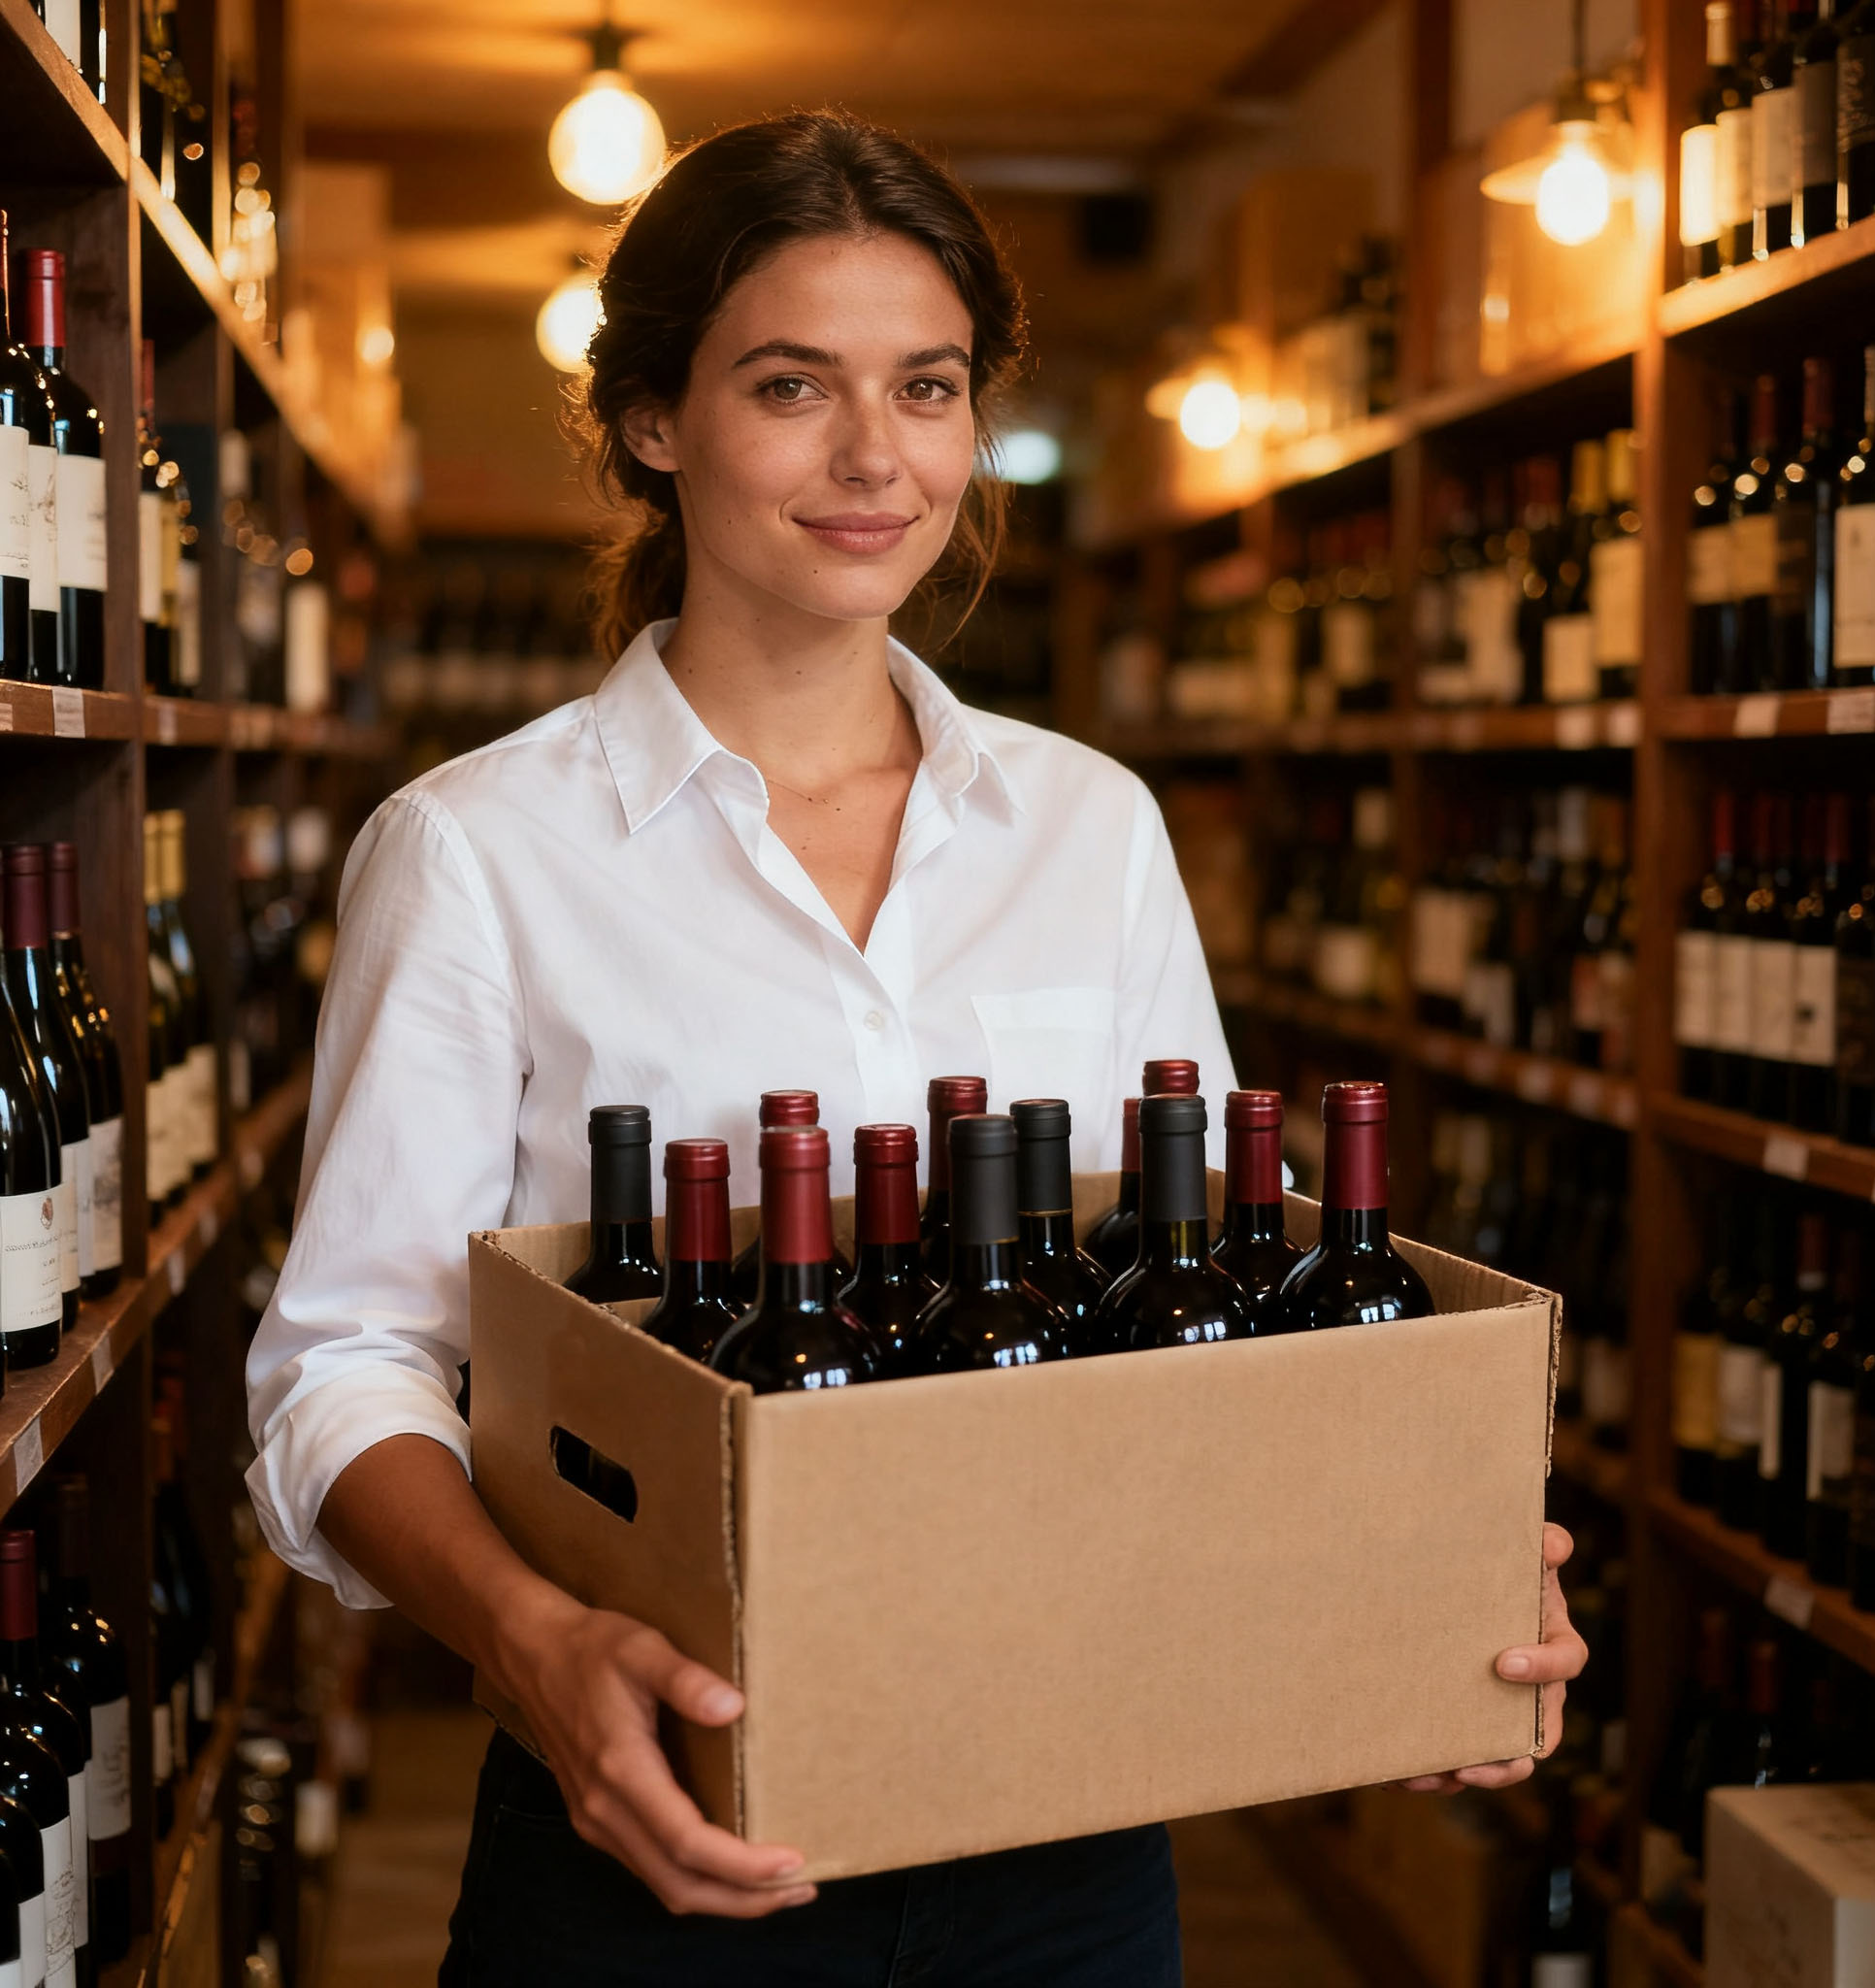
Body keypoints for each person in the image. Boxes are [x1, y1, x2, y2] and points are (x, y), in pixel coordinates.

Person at [245, 110, 1585, 1987]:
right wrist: (534, 1647)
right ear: (652, 420)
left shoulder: (1089, 826)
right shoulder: (477, 854)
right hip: (659, 1827)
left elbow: (1231, 1265)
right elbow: (346, 1365)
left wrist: (1415, 1543)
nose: (877, 457)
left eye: (928, 387)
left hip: (1074, 1847)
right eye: (793, 385)